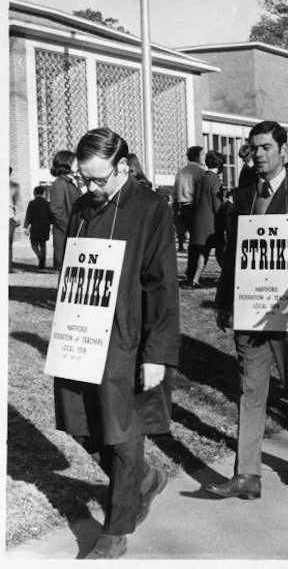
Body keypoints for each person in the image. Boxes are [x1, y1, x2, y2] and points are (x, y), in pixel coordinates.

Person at [54, 127, 179, 559]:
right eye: (83, 179)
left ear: (123, 166)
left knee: (124, 433)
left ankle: (116, 529)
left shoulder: (150, 209)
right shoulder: (84, 208)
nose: (90, 188)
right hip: (83, 335)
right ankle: (144, 478)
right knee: (82, 425)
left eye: (98, 179)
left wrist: (157, 355)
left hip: (128, 339)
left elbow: (163, 286)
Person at [208, 120, 288, 496]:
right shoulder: (245, 195)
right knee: (250, 389)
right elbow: (235, 254)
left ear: (282, 150)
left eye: (265, 147)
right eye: (253, 147)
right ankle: (246, 473)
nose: (258, 154)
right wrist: (224, 300)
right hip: (252, 311)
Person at [185, 150, 223, 288]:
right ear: (221, 165)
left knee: (203, 252)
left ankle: (195, 279)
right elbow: (217, 205)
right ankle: (227, 275)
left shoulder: (201, 179)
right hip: (211, 223)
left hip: (198, 221)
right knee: (218, 251)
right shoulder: (215, 181)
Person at [49, 150, 81, 269]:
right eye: (74, 161)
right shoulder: (60, 183)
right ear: (66, 163)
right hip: (65, 232)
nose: (77, 163)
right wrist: (69, 226)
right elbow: (55, 209)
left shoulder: (71, 181)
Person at [173, 146, 204, 261]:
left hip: (182, 206)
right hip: (195, 206)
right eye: (202, 154)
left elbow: (175, 193)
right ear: (197, 157)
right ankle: (193, 266)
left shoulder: (181, 172)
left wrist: (175, 210)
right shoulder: (200, 172)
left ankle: (191, 265)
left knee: (186, 235)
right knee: (196, 239)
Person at [23, 185, 53, 269]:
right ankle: (43, 260)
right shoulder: (47, 203)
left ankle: (40, 257)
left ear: (34, 193)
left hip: (35, 225)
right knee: (43, 244)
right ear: (43, 193)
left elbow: (28, 216)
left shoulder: (32, 203)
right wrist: (51, 224)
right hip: (45, 226)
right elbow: (51, 215)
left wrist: (26, 227)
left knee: (33, 244)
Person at [9, 171, 20, 272]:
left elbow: (16, 202)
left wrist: (17, 216)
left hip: (9, 217)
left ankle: (8, 266)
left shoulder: (13, 186)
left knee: (8, 243)